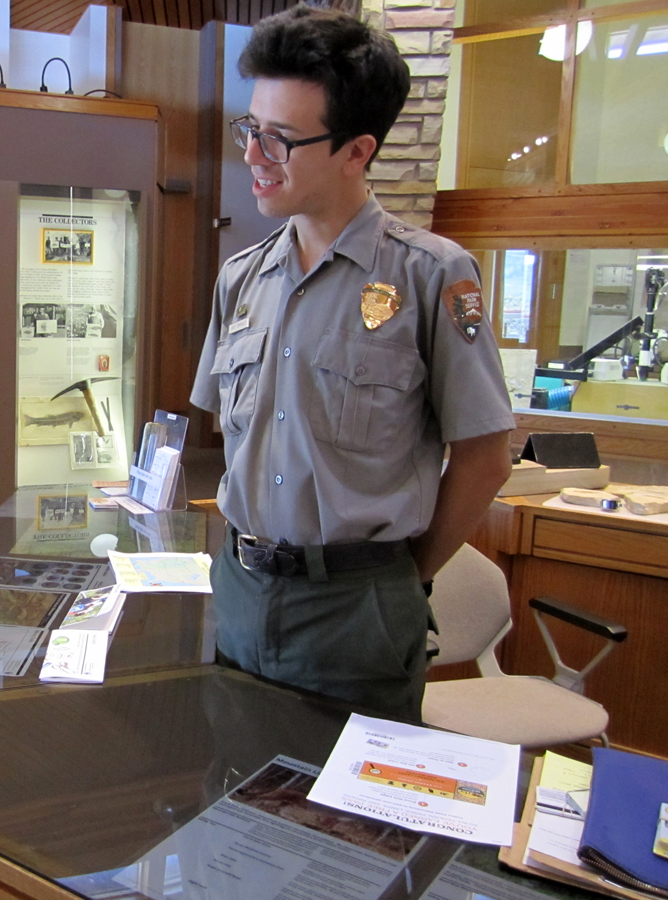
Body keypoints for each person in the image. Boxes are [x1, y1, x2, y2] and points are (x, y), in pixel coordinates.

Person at [190, 7, 514, 723]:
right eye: (250, 131)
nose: (252, 157)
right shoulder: (240, 278)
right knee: (234, 799)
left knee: (347, 827)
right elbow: (236, 438)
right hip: (242, 592)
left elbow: (487, 456)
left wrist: (401, 577)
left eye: (279, 141)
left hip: (357, 611)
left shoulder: (432, 275)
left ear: (356, 150)